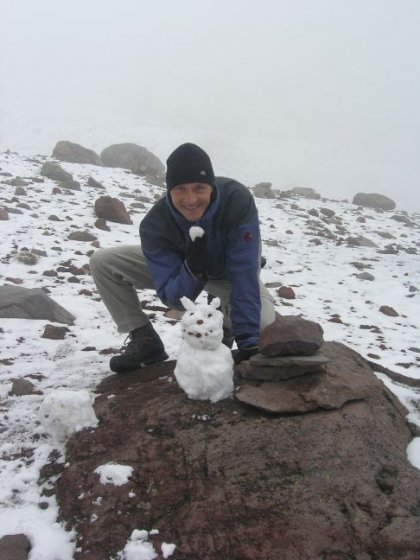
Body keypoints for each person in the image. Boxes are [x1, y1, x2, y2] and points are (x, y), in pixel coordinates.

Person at [89, 143, 275, 373]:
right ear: (169, 190)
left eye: (199, 188)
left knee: (264, 328)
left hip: (230, 275)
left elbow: (244, 271)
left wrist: (249, 342)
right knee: (103, 262)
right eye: (180, 189)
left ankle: (224, 326)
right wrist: (193, 269)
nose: (190, 199)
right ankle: (145, 341)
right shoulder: (155, 225)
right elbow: (174, 299)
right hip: (183, 270)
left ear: (211, 187)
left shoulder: (236, 200)